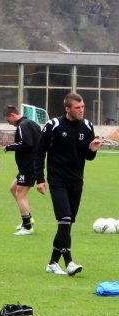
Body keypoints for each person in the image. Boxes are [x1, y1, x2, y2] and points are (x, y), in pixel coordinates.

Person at [37, 93, 102, 276]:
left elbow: (87, 157)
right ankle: (69, 262)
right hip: (57, 180)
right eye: (77, 108)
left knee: (67, 223)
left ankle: (52, 262)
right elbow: (39, 152)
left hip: (76, 180)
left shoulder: (88, 125)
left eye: (82, 107)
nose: (81, 110)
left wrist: (92, 150)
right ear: (67, 109)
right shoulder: (53, 125)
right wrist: (40, 179)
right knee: (64, 218)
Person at [3, 105, 44, 235]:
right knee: (13, 188)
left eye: (9, 121)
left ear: (12, 115)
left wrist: (9, 147)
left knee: (20, 194)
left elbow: (27, 143)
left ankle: (27, 227)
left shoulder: (22, 125)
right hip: (29, 165)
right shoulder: (32, 123)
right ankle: (27, 218)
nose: (10, 124)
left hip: (29, 166)